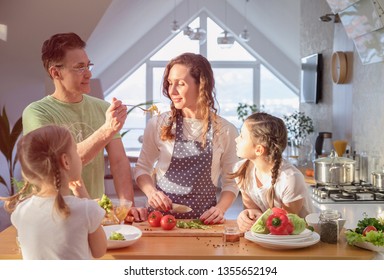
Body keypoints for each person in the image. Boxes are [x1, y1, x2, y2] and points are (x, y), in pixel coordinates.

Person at [22, 32, 146, 222]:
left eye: (88, 65)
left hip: (93, 214)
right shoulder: (37, 113)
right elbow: (61, 165)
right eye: (79, 67)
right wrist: (106, 130)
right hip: (53, 215)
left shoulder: (102, 108)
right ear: (55, 72)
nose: (88, 73)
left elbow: (119, 162)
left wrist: (126, 205)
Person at [133, 52, 239, 224]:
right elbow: (142, 169)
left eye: (180, 84)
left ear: (202, 85)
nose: (172, 91)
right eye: (169, 83)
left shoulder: (225, 130)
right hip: (160, 221)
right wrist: (152, 193)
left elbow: (231, 182)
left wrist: (220, 209)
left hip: (203, 223)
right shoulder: (158, 124)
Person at [0, 125, 107, 259]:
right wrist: (85, 197)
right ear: (66, 161)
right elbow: (100, 251)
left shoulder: (20, 211)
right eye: (75, 150)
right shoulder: (87, 209)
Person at [231, 112, 313, 232]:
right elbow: (252, 210)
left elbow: (284, 224)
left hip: (296, 240)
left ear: (259, 149)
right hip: (268, 238)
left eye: (242, 136)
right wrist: (245, 216)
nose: (236, 139)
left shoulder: (290, 178)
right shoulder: (241, 170)